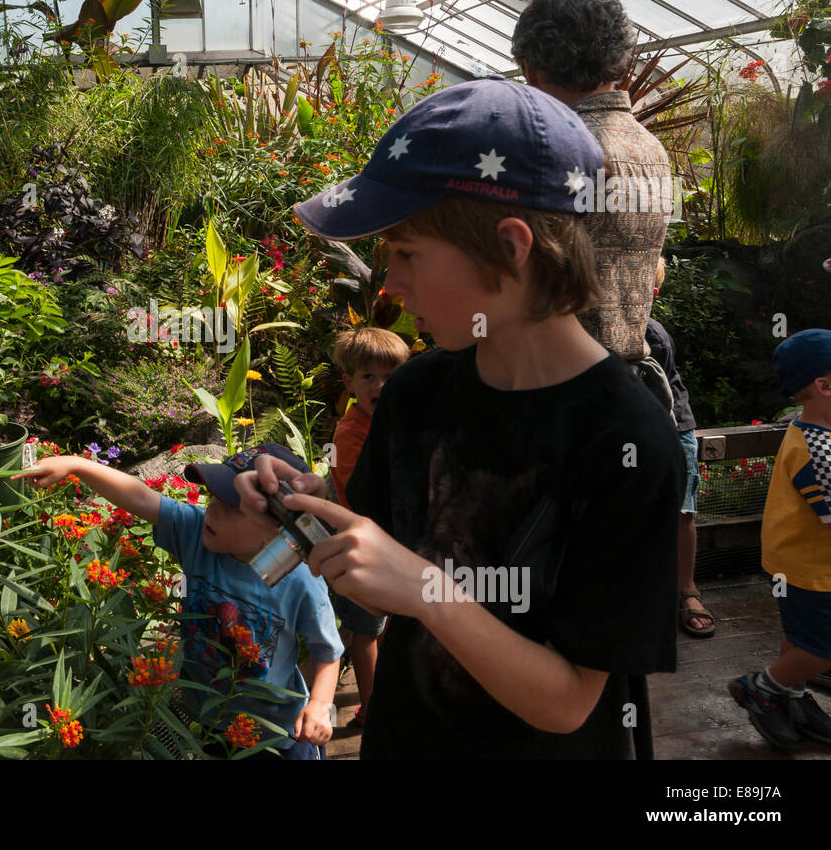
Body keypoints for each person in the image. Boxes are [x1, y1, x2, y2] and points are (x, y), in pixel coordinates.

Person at [238, 77, 683, 758]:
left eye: (408, 254)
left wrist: (425, 589)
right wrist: (300, 501)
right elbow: (385, 558)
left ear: (511, 246)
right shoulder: (417, 390)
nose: (388, 285)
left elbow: (569, 700)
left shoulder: (627, 438)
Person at [21, 444, 343, 759]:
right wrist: (78, 465)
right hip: (204, 717)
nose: (212, 510)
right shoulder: (197, 532)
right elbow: (141, 496)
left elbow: (326, 650)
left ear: (274, 531)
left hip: (275, 734)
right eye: (213, 497)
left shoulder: (299, 579)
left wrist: (319, 704)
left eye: (232, 507)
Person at [512, 0, 672, 394]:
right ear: (620, 62)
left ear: (532, 69)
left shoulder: (560, 146)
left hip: (555, 381)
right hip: (628, 381)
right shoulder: (652, 148)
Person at [728, 328, 831, 748]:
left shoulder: (807, 430)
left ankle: (792, 692)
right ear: (824, 386)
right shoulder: (818, 451)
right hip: (813, 572)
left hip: (794, 565)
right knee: (822, 650)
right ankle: (762, 687)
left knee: (800, 638)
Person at [329, 327, 410, 728]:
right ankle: (372, 709)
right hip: (359, 551)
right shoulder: (352, 432)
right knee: (365, 632)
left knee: (382, 627)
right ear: (350, 383)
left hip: (387, 548)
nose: (381, 385)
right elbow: (361, 496)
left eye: (391, 376)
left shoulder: (393, 421)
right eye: (368, 377)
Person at [645, 259, 712, 637]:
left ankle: (686, 589)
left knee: (683, 510)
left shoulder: (652, 333)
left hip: (673, 424)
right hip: (634, 428)